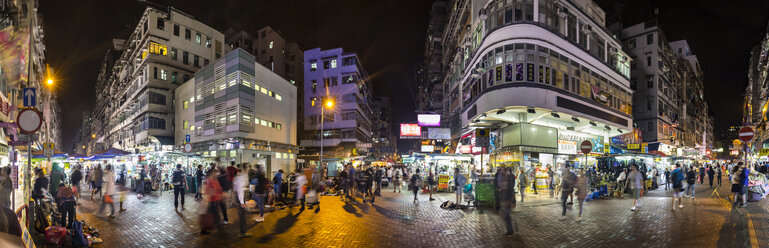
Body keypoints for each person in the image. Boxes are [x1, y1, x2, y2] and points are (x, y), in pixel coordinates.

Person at [201, 169, 223, 234]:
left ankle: (213, 226)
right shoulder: (209, 180)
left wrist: (220, 194)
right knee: (209, 214)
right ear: (212, 173)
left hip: (214, 200)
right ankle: (205, 229)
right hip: (210, 200)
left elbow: (219, 189)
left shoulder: (215, 180)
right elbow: (206, 190)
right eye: (215, 173)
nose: (217, 174)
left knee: (214, 213)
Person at [233, 164, 251, 238]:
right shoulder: (242, 176)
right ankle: (242, 233)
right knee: (242, 216)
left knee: (242, 215)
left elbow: (235, 186)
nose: (248, 169)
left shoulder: (241, 175)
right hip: (241, 197)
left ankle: (243, 232)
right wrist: (242, 202)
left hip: (240, 197)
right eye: (247, 168)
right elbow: (240, 189)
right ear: (245, 168)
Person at [497, 167, 516, 235]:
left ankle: (510, 229)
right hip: (505, 199)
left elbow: (511, 189)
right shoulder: (504, 178)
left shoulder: (509, 178)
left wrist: (513, 201)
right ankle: (511, 228)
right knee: (505, 215)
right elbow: (502, 189)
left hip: (508, 199)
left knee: (506, 215)